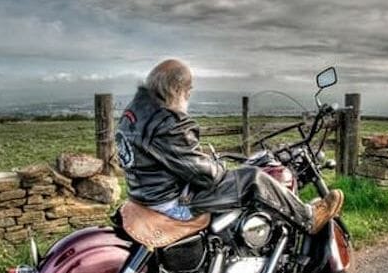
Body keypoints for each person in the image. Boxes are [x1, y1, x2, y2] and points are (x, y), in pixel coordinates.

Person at [115, 59, 343, 234]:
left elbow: (173, 159)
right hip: (172, 203)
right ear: (179, 90)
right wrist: (221, 169)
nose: (188, 96)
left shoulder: (133, 113)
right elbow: (204, 176)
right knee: (253, 177)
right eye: (188, 92)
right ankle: (309, 218)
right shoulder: (167, 121)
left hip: (144, 195)